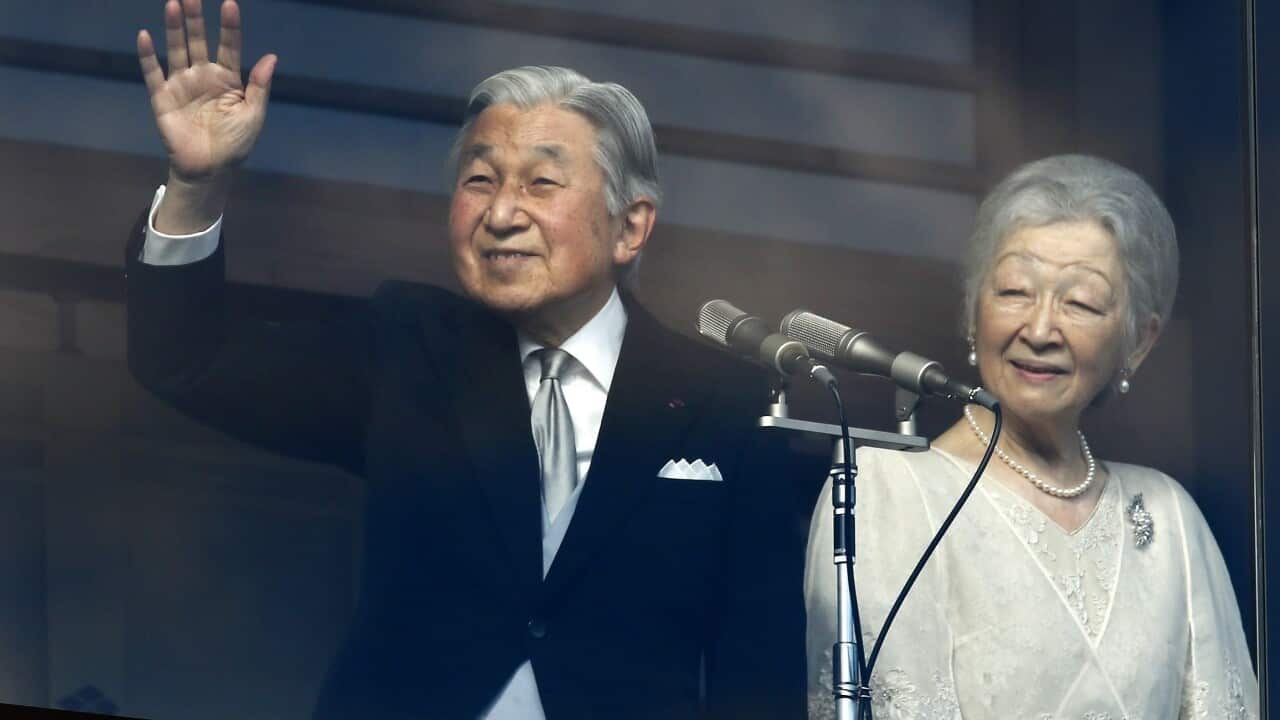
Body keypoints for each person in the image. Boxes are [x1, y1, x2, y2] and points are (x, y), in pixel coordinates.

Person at [126, 1, 811, 718]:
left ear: (630, 226)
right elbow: (187, 360)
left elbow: (758, 670)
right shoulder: (408, 348)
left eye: (541, 183)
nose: (502, 212)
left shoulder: (723, 402)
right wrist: (198, 184)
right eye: (480, 179)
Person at [805, 155, 1258, 719]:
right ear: (973, 310)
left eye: (1081, 303)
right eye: (1015, 291)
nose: (1040, 330)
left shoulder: (1168, 519)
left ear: (1139, 341)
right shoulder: (885, 491)